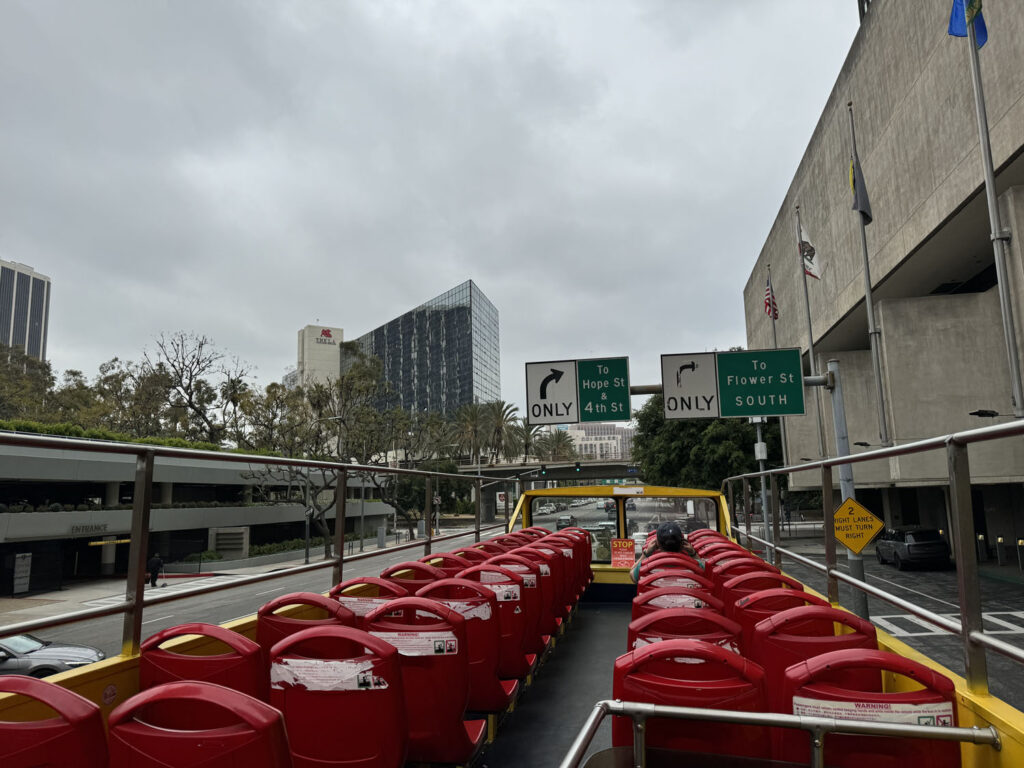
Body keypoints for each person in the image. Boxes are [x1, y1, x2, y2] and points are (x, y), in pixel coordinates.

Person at [630, 521, 696, 583]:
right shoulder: (695, 565)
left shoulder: (647, 566)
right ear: (682, 542)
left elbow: (632, 575)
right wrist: (693, 554)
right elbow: (705, 572)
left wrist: (645, 554)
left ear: (657, 543)